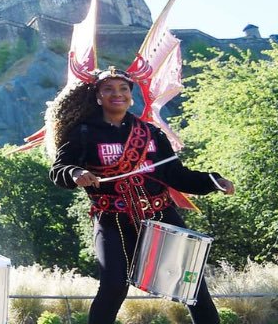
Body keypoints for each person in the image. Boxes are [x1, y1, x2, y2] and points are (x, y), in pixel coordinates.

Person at [47, 68, 234, 323]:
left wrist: (213, 181)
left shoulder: (151, 133)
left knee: (192, 285)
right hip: (113, 221)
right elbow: (59, 169)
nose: (117, 94)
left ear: (131, 96)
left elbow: (176, 174)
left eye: (123, 89)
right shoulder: (83, 133)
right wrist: (75, 173)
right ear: (98, 97)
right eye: (108, 89)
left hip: (160, 215)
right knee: (114, 286)